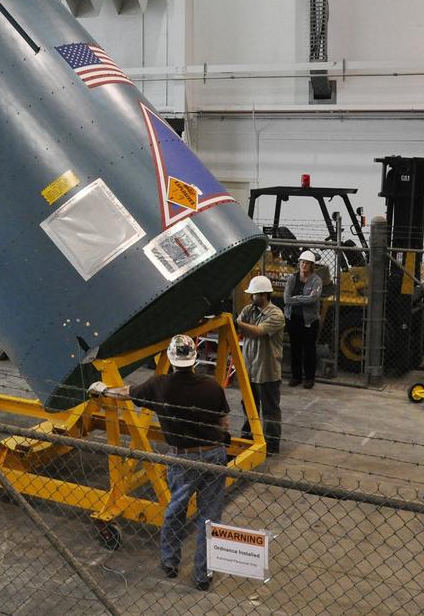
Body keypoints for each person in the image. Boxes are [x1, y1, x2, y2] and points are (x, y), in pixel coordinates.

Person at [89, 335, 230, 592]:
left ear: (170, 358)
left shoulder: (158, 385)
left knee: (176, 510)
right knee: (210, 518)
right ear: (194, 357)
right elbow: (224, 423)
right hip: (213, 456)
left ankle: (170, 563)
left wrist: (103, 390)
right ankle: (203, 575)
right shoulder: (212, 386)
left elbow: (125, 394)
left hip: (183, 458)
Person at [236, 275, 286, 454]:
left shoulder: (276, 315)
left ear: (264, 295)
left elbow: (257, 331)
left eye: (254, 294)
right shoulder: (250, 309)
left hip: (267, 371)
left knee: (270, 409)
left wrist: (240, 325)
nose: (251, 297)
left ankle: (272, 445)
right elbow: (241, 325)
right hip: (250, 369)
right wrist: (241, 325)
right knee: (249, 405)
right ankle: (249, 436)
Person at [283, 250, 323, 389]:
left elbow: (313, 299)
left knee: (309, 349)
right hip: (292, 319)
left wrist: (295, 299)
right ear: (299, 263)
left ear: (312, 266)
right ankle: (296, 377)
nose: (304, 265)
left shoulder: (316, 280)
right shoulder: (292, 279)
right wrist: (301, 300)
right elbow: (286, 299)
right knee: (295, 349)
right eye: (302, 262)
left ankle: (309, 378)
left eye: (307, 263)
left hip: (309, 321)